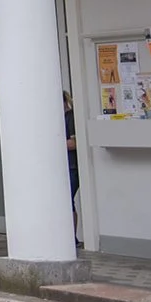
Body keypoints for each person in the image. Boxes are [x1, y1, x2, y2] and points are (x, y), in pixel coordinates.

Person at [65, 90, 82, 249]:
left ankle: (72, 238)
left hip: (72, 165)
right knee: (67, 201)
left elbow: (75, 143)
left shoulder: (70, 117)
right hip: (65, 166)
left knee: (67, 201)